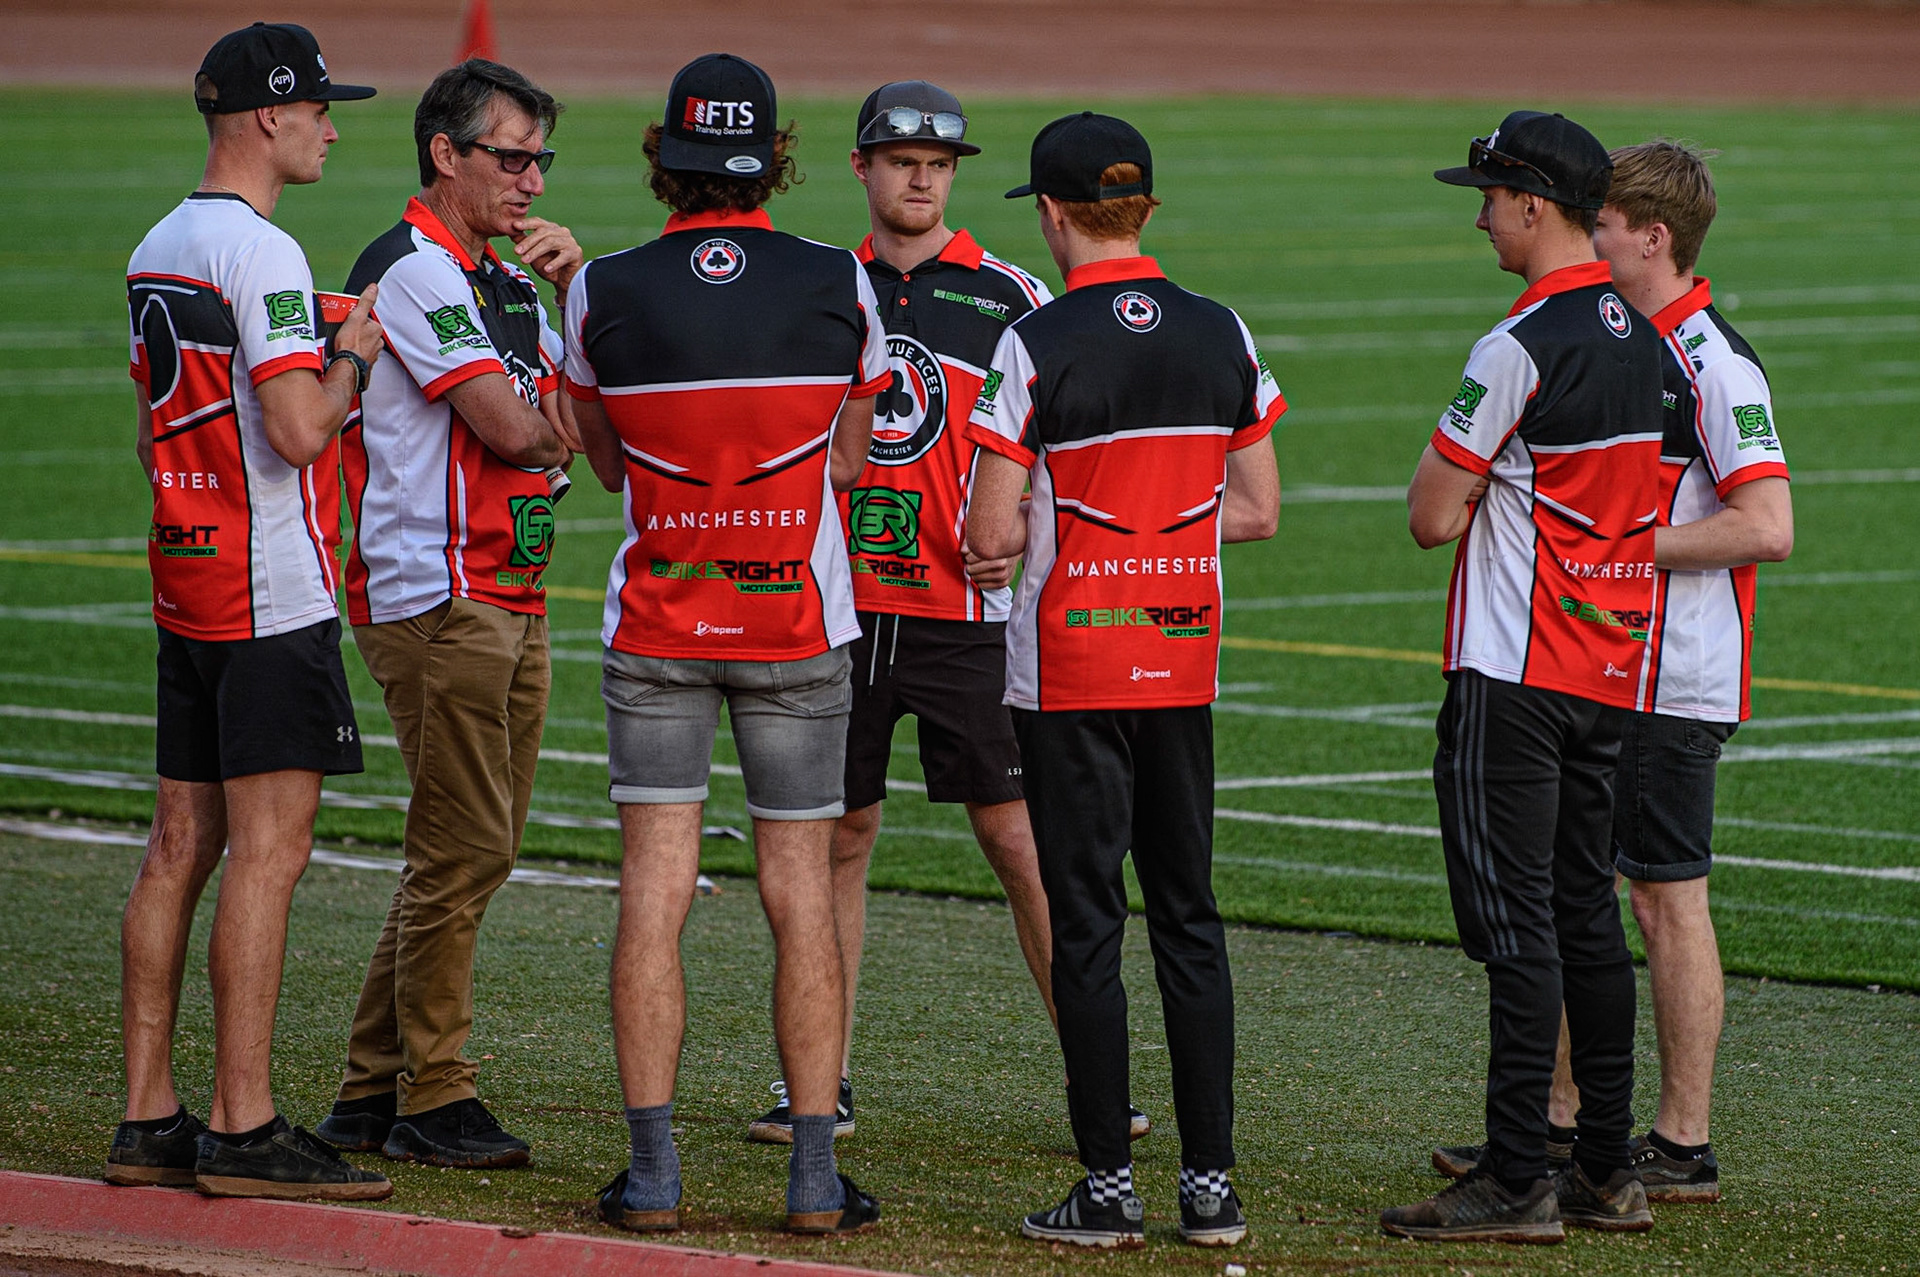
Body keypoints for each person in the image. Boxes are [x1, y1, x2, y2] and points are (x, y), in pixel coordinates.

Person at [1432, 140, 1793, 1205]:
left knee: (1660, 898)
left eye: (1609, 222)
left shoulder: (1712, 362)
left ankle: (1678, 1139)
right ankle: (1556, 1130)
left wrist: (1612, 545)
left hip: (1674, 672)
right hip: (1604, 660)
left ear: (1656, 237)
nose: (1592, 235)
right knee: (1578, 896)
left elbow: (1766, 525)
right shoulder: (1622, 341)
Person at [563, 53, 886, 1235]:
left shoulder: (598, 286)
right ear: (774, 162)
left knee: (654, 892)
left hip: (659, 621)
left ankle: (652, 1174)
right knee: (800, 894)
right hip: (796, 622)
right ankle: (811, 1178)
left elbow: (603, 465)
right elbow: (850, 460)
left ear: (666, 156)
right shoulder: (839, 278)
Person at [746, 78, 1101, 1146]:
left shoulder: (1012, 294)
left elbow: (1062, 445)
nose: (919, 178)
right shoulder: (816, 287)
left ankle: (1095, 1075)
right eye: (900, 160)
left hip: (968, 614)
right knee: (837, 838)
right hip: (837, 611)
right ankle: (819, 1082)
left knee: (1020, 840)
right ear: (861, 168)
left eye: (938, 165)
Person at [966, 112, 1282, 1249]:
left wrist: (1023, 539)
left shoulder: (1036, 340)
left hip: (1071, 670)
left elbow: (988, 531)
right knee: (1189, 918)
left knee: (1088, 923)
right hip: (1179, 658)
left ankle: (1107, 1183)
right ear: (1143, 208)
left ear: (1052, 215)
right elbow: (1256, 506)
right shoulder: (1220, 329)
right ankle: (1211, 1187)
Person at [109, 22, 390, 1200]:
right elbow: (296, 430)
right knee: (268, 856)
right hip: (267, 589)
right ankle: (243, 1119)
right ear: (269, 117)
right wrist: (355, 359)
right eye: (320, 108)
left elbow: (148, 432)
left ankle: (149, 1114)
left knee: (179, 845)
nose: (331, 126)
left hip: (186, 574)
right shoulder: (262, 253)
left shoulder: (156, 243)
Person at [1379, 111, 1665, 1244]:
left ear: (1535, 205)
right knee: (1588, 913)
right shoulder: (1646, 337)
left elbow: (1428, 516)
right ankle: (1604, 1164)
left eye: (1491, 194)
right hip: (1607, 663)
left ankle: (1515, 1175)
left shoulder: (1522, 341)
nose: (1480, 212)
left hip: (1515, 667)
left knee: (1518, 922)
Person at [313, 59, 579, 1170]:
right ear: (446, 154)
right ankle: (436, 1091)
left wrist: (579, 298)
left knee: (466, 846)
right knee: (465, 846)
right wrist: (550, 410)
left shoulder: (507, 282)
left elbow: (580, 432)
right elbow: (523, 432)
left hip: (506, 588)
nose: (529, 181)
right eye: (510, 157)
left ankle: (371, 1093)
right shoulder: (415, 270)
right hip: (436, 594)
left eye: (538, 160)